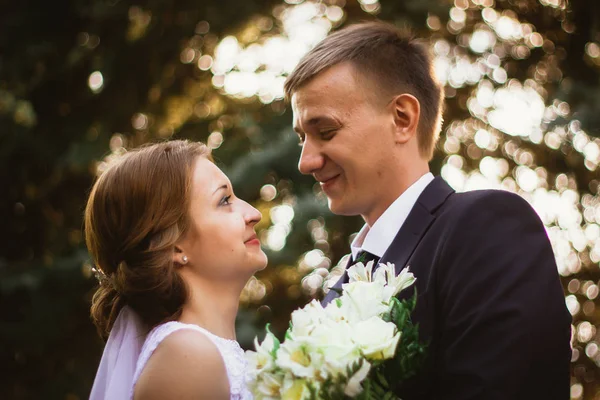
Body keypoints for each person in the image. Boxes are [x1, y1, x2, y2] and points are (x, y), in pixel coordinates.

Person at [285, 21, 571, 399]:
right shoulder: (338, 288)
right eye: (302, 137)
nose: (305, 162)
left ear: (402, 118)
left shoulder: (485, 228)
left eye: (325, 131)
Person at [86, 140, 265, 400]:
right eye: (224, 200)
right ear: (173, 247)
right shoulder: (189, 356)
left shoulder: (199, 351)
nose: (253, 213)